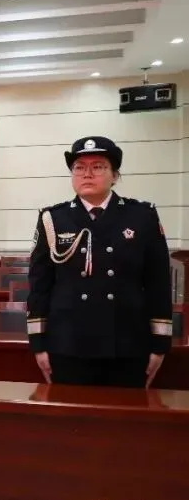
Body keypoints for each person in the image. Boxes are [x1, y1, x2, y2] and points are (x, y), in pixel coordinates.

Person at [27, 136, 171, 388]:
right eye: (79, 167)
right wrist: (38, 343)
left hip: (127, 344)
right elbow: (40, 286)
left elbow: (158, 283)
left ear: (115, 175)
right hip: (68, 345)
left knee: (126, 412)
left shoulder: (142, 216)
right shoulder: (53, 219)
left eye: (98, 166)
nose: (87, 174)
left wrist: (160, 345)